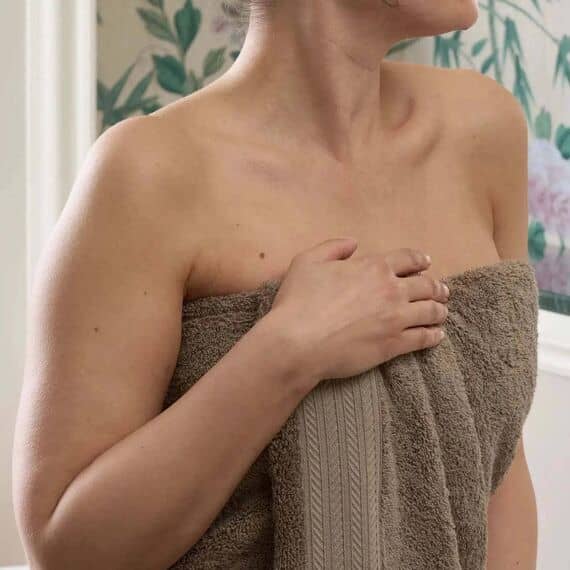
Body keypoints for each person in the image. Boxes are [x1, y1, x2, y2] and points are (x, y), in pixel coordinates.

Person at [13, 0, 537, 568]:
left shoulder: (481, 131)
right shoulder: (148, 174)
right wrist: (285, 354)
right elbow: (65, 550)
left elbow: (495, 466)